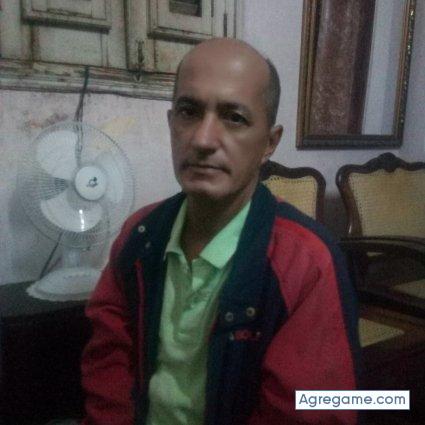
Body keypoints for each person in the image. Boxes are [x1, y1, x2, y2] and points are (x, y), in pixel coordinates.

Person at [81, 38, 360, 425]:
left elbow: (313, 410)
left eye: (234, 118)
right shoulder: (139, 235)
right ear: (171, 123)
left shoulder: (307, 262)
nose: (202, 139)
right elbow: (107, 367)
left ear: (269, 143)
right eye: (188, 112)